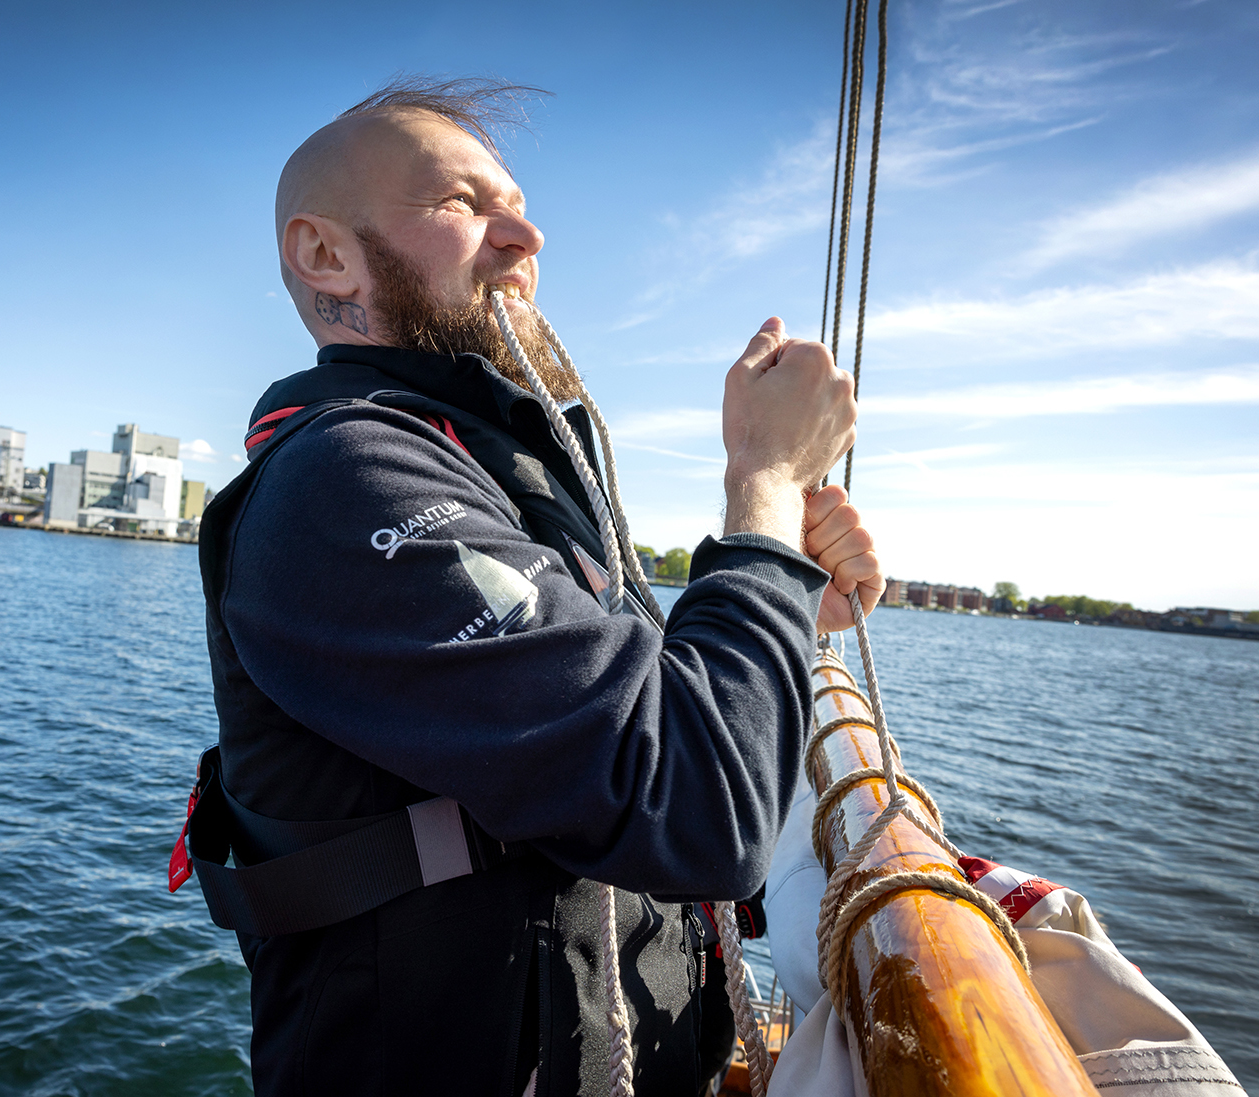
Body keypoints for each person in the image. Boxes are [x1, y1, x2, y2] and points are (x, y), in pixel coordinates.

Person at [186, 77, 884, 1097]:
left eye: (515, 202)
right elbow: (698, 806)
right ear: (325, 253)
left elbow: (657, 714)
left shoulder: (504, 477)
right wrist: (765, 486)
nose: (526, 234)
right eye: (463, 204)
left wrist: (786, 604)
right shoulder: (348, 483)